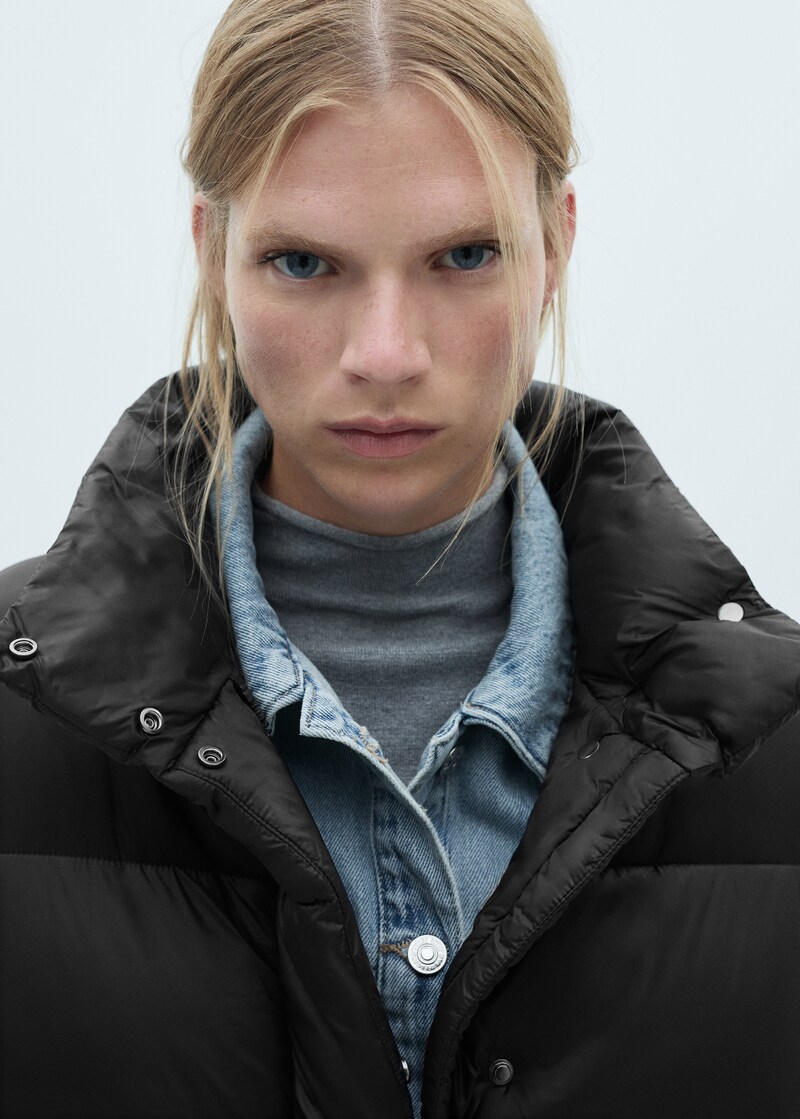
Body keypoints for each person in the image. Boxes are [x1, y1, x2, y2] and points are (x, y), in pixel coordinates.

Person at [1, 1, 799, 1117]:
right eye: (303, 262)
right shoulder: (16, 713)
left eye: (464, 255)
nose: (385, 354)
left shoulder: (772, 742)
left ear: (557, 243)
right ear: (212, 254)